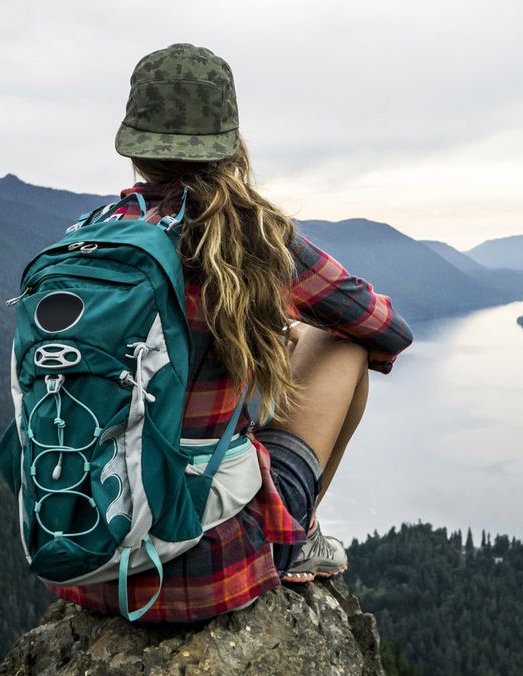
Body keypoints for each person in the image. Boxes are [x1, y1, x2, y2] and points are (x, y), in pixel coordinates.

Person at [43, 43, 413, 622]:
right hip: (213, 569)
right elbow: (386, 329)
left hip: (88, 562)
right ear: (229, 143)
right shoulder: (255, 237)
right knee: (344, 345)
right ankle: (299, 536)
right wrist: (280, 321)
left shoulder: (89, 242)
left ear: (136, 148)